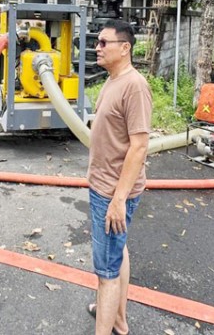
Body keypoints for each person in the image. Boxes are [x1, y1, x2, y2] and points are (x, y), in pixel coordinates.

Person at [86, 19, 152, 335]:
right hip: (105, 186)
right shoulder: (113, 80)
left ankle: (109, 322)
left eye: (103, 43)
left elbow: (139, 146)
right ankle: (118, 318)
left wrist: (118, 199)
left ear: (124, 48)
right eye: (97, 42)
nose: (97, 48)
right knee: (118, 251)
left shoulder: (135, 86)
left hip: (113, 192)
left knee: (106, 272)